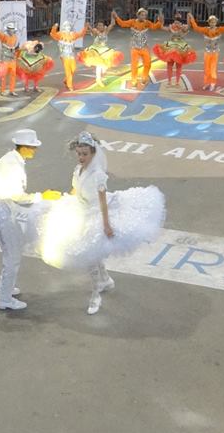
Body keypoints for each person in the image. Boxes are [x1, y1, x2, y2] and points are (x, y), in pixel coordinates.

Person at [35, 131, 166, 315]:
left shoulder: (98, 175)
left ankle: (96, 294)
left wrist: (106, 225)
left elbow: (103, 203)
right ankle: (104, 280)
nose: (81, 157)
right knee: (92, 255)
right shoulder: (78, 169)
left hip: (96, 214)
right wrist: (65, 200)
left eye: (85, 154)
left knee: (90, 255)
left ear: (93, 153)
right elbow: (76, 189)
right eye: (79, 154)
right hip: (81, 210)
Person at [0, 129, 59, 311]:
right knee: (13, 255)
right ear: (24, 147)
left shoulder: (8, 158)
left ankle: (3, 286)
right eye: (33, 147)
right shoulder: (14, 166)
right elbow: (17, 195)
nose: (35, 150)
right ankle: (5, 299)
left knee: (8, 251)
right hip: (5, 211)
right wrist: (41, 196)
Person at [113, 8, 163, 89]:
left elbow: (154, 27)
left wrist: (160, 21)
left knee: (148, 63)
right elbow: (122, 24)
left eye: (145, 15)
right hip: (134, 48)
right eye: (142, 15)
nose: (143, 17)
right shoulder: (132, 22)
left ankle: (144, 78)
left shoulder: (147, 23)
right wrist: (116, 17)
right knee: (134, 65)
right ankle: (134, 81)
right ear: (138, 15)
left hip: (144, 47)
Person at [188, 14, 224, 92]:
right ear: (209, 22)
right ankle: (207, 82)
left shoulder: (219, 30)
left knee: (213, 68)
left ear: (216, 22)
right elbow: (196, 28)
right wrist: (192, 19)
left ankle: (213, 83)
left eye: (214, 22)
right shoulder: (205, 30)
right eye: (211, 22)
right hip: (207, 52)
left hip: (215, 52)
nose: (212, 23)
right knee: (207, 68)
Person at [153, 13, 196, 88]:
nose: (176, 22)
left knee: (179, 65)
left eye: (178, 20)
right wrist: (161, 20)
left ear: (180, 21)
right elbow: (162, 27)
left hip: (181, 47)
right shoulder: (171, 26)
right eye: (175, 20)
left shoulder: (183, 27)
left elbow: (188, 26)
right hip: (171, 46)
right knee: (170, 64)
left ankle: (177, 82)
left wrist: (189, 18)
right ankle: (169, 82)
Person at [77, 19, 122, 88]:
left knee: (105, 65)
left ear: (104, 26)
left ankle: (102, 72)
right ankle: (98, 79)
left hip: (104, 50)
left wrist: (113, 16)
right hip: (95, 50)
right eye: (98, 25)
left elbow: (112, 24)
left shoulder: (106, 31)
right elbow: (92, 31)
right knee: (99, 65)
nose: (99, 27)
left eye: (100, 25)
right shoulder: (95, 31)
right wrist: (88, 26)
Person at [50, 21, 87, 91]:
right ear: (64, 27)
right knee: (68, 70)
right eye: (66, 26)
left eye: (69, 26)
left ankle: (66, 80)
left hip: (71, 54)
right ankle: (69, 85)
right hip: (64, 55)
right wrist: (55, 27)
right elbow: (53, 34)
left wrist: (85, 28)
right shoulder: (60, 34)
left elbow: (81, 34)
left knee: (73, 68)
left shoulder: (73, 34)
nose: (68, 27)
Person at [0, 23, 20, 97]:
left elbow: (15, 46)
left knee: (13, 75)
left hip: (12, 58)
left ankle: (12, 90)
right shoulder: (4, 36)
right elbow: (0, 38)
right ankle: (2, 91)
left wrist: (14, 50)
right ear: (8, 30)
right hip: (5, 58)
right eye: (10, 29)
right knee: (4, 75)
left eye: (12, 29)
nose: (11, 31)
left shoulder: (15, 37)